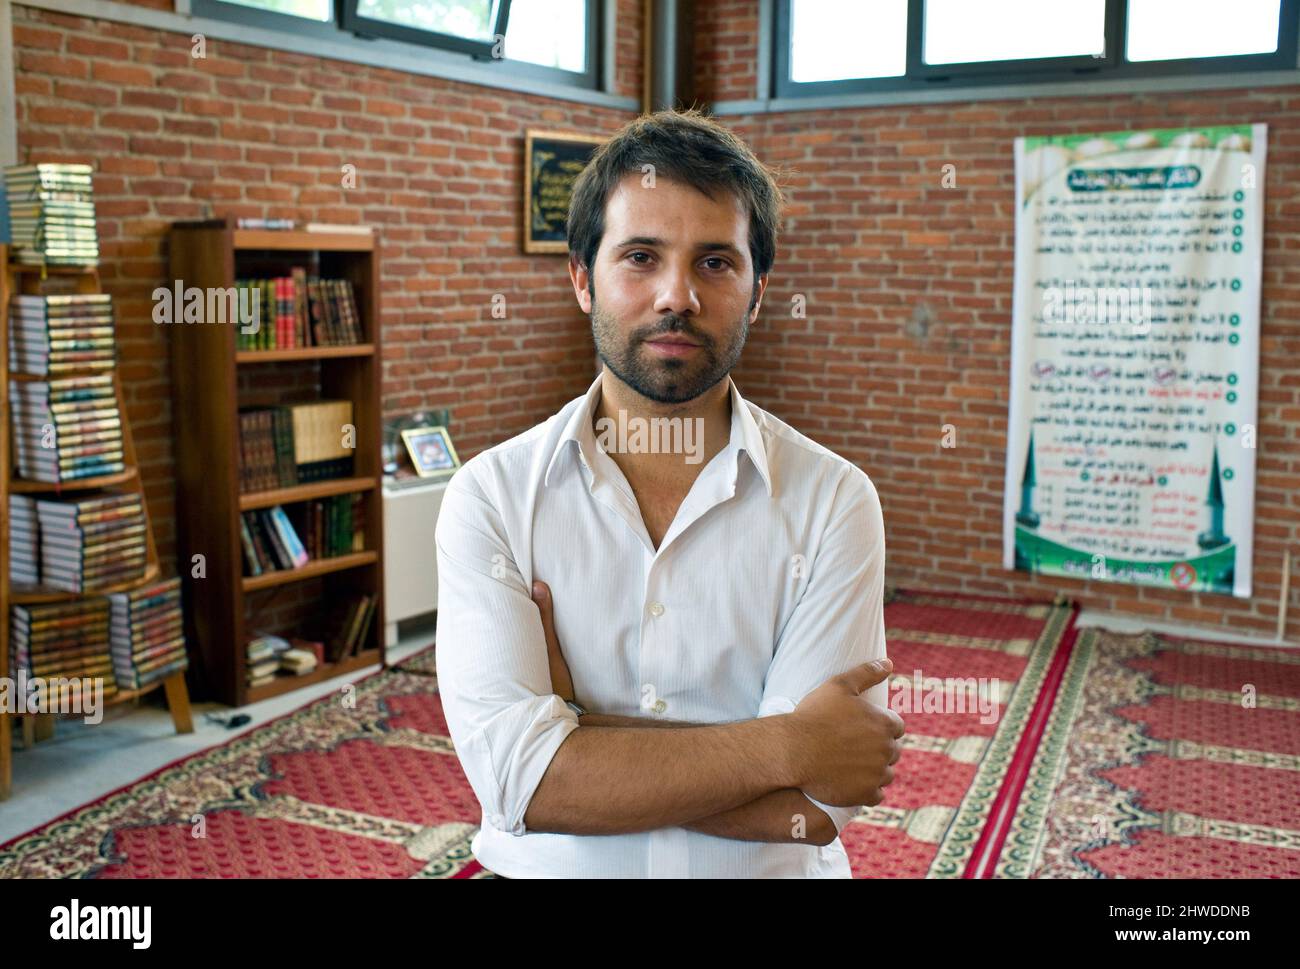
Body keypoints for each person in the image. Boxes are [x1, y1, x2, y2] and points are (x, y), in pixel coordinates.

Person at [435, 109, 903, 878]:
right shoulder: (491, 497)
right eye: (641, 256)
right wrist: (790, 745)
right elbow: (521, 780)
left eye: (716, 262)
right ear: (583, 279)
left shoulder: (833, 500)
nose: (676, 295)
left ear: (757, 293)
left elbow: (815, 808)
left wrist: (582, 737)